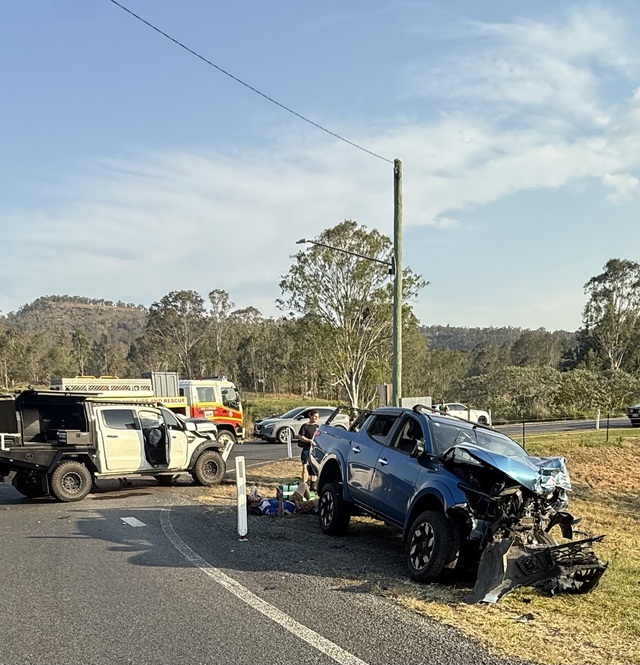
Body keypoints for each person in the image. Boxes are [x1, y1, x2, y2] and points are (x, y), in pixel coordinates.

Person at [247, 482, 318, 516]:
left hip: (291, 500)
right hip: (296, 507)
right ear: (253, 505)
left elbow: (254, 487)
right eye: (253, 498)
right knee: (319, 501)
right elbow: (280, 514)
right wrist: (280, 499)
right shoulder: (265, 508)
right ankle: (312, 506)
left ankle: (310, 502)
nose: (256, 497)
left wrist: (252, 493)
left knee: (303, 485)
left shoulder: (261, 501)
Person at [298, 409, 319, 487]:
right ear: (310, 416)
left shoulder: (318, 427)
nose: (316, 418)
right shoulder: (305, 426)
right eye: (314, 416)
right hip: (306, 449)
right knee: (305, 466)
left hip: (315, 450)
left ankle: (313, 484)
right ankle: (304, 484)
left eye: (317, 417)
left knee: (313, 467)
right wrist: (309, 440)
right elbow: (301, 437)